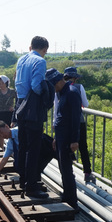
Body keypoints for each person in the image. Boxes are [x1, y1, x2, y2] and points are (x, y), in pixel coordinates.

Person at [14, 36, 53, 198]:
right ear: (44, 49)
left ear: (31, 46)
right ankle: (31, 186)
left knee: (23, 145)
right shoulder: (40, 61)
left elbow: (17, 82)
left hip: (20, 106)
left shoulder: (22, 59)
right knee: (34, 148)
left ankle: (23, 180)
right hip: (32, 109)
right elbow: (36, 86)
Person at [47, 68, 81, 211]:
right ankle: (67, 196)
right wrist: (56, 137)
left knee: (67, 169)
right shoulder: (62, 93)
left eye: (53, 86)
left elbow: (75, 119)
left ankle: (72, 202)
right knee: (63, 168)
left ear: (59, 81)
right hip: (61, 136)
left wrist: (74, 140)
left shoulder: (72, 93)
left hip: (68, 137)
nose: (52, 89)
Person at [63, 66, 95, 183]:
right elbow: (85, 104)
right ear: (75, 78)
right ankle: (87, 173)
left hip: (64, 122)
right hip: (78, 121)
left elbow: (56, 106)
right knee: (83, 147)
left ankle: (68, 173)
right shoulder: (79, 87)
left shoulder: (60, 87)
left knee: (66, 147)